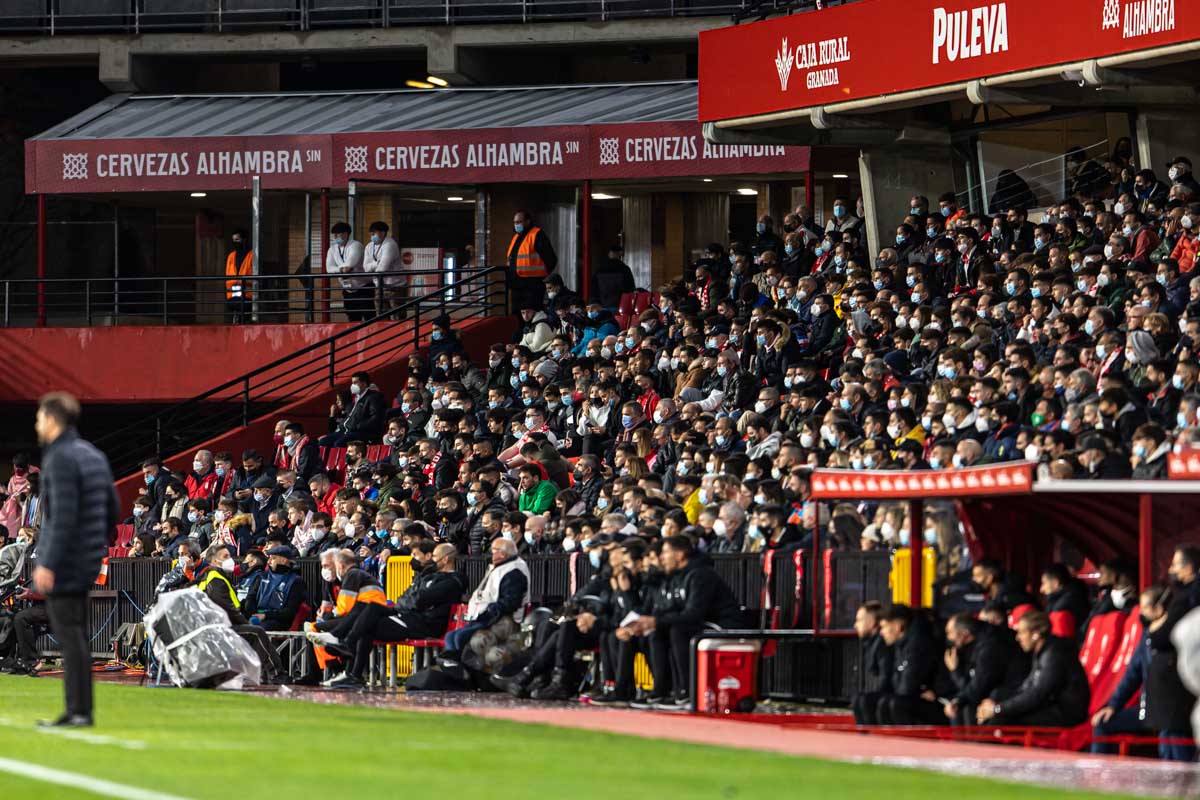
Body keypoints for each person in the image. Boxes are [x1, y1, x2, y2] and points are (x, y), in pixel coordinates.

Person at [31, 392, 120, 727]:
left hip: (66, 558)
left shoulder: (59, 457)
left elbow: (62, 515)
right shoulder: (92, 454)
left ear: (53, 419)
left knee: (69, 635)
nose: (38, 424)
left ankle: (78, 711)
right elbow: (113, 507)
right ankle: (81, 709)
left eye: (40, 417)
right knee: (77, 634)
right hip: (88, 555)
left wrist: (48, 562)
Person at [621, 535, 742, 708]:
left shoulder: (700, 574)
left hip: (722, 624)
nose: (662, 557)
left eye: (665, 552)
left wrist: (656, 620)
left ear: (679, 554)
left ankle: (686, 691)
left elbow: (694, 613)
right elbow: (670, 608)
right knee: (659, 631)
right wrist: (645, 623)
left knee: (678, 629)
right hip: (699, 623)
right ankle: (663, 690)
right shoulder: (677, 576)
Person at [976, 611, 1089, 727]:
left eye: (1021, 632)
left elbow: (1038, 694)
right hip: (1048, 705)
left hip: (1064, 714)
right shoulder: (1041, 650)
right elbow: (1026, 688)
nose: (1017, 638)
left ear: (1036, 634)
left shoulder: (1054, 654)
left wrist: (997, 709)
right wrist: (994, 705)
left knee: (1002, 718)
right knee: (998, 694)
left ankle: (981, 742)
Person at [437, 537, 529, 677]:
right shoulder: (499, 566)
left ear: (503, 554)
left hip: (502, 620)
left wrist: (489, 609)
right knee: (451, 636)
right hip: (484, 616)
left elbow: (510, 602)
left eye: (494, 551)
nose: (491, 554)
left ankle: (458, 670)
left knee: (460, 637)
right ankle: (454, 667)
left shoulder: (514, 571)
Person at [943, 612, 1026, 726]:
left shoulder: (990, 647)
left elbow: (977, 689)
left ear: (965, 633)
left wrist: (955, 671)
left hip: (1010, 693)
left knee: (966, 706)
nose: (948, 637)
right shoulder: (970, 645)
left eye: (950, 632)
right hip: (995, 692)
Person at [873, 603, 943, 725]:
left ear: (897, 626)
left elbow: (908, 684)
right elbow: (897, 679)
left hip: (939, 700)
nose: (881, 633)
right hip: (918, 695)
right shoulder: (900, 644)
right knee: (873, 700)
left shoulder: (918, 643)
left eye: (884, 627)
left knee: (894, 703)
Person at [851, 600, 893, 725]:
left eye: (859, 620)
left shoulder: (881, 644)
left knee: (864, 700)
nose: (855, 625)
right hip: (887, 692)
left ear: (873, 622)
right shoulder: (871, 643)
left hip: (891, 693)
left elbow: (886, 676)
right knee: (859, 699)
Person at [507, 210, 558, 311]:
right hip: (516, 285)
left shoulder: (537, 235)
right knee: (517, 315)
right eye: (515, 222)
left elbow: (551, 259)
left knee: (532, 313)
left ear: (527, 221)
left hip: (532, 285)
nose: (516, 225)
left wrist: (542, 277)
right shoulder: (516, 237)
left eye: (519, 222)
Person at [325, 221, 371, 322]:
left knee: (369, 316)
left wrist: (338, 269)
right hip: (347, 289)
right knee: (352, 318)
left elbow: (349, 265)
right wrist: (341, 269)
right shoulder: (332, 249)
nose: (336, 236)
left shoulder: (355, 245)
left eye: (339, 233)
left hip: (363, 288)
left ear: (346, 234)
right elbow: (329, 269)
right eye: (335, 234)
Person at [362, 220, 402, 314]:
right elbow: (365, 268)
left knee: (396, 316)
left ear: (383, 233)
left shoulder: (390, 244)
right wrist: (376, 264)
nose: (372, 234)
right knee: (381, 316)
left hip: (395, 287)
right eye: (371, 232)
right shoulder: (369, 246)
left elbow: (382, 268)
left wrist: (372, 266)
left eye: (375, 232)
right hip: (378, 286)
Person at [592, 244, 636, 310]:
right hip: (619, 306)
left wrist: (596, 302)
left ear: (609, 254)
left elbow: (594, 289)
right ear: (620, 254)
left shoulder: (599, 269)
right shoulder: (624, 269)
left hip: (602, 306)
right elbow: (630, 288)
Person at [225, 228, 254, 324]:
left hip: (248, 295)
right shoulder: (231, 256)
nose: (235, 242)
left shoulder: (252, 255)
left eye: (237, 240)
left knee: (244, 309)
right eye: (233, 240)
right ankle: (238, 318)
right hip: (232, 295)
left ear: (244, 240)